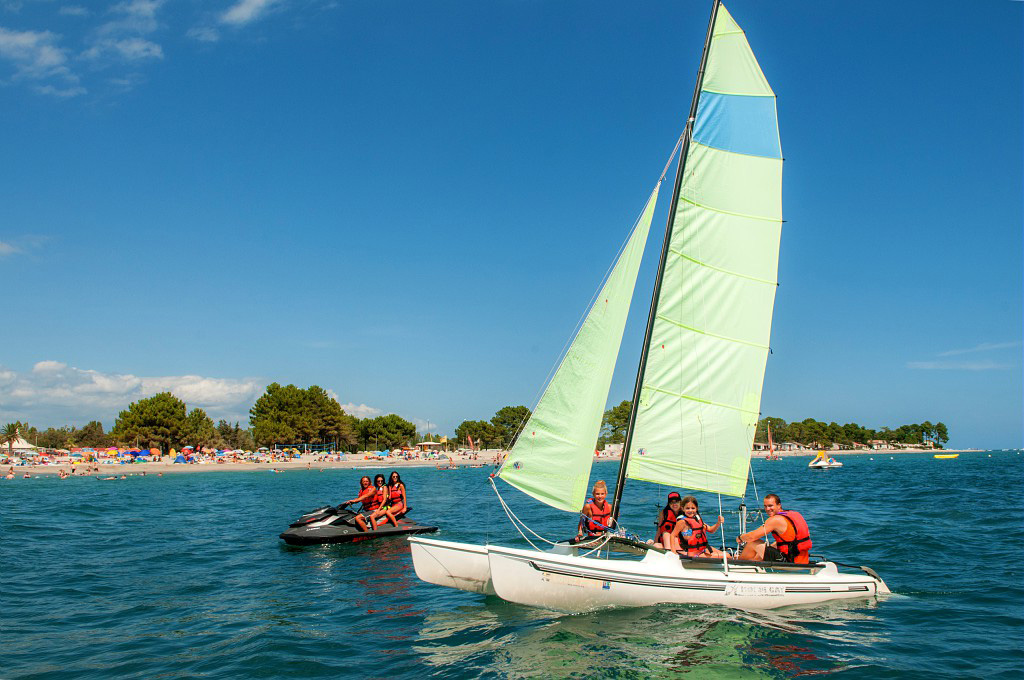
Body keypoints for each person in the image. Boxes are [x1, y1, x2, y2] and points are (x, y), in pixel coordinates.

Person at [736, 493, 812, 563]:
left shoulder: (775, 520)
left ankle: (738, 562)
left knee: (753, 542)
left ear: (779, 505)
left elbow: (751, 537)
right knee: (767, 548)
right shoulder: (794, 514)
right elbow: (785, 542)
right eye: (765, 506)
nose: (767, 509)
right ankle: (750, 560)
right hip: (803, 561)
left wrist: (740, 537)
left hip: (790, 562)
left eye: (770, 506)